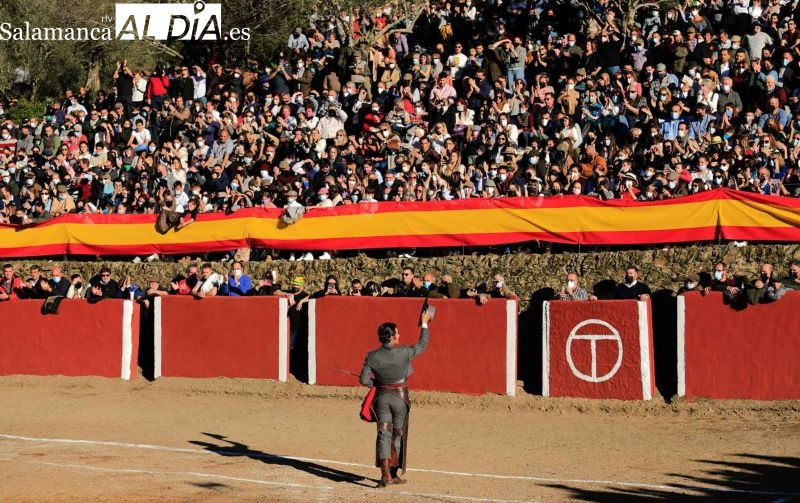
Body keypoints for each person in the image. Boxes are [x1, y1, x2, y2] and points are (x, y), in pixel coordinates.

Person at [359, 309, 432, 488]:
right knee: (398, 434)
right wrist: (425, 323)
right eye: (397, 333)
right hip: (400, 398)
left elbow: (364, 379)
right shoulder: (404, 352)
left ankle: (385, 475)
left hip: (382, 398)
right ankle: (393, 473)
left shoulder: (372, 356)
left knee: (384, 433)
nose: (399, 335)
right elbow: (422, 345)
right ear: (391, 337)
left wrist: (377, 384)